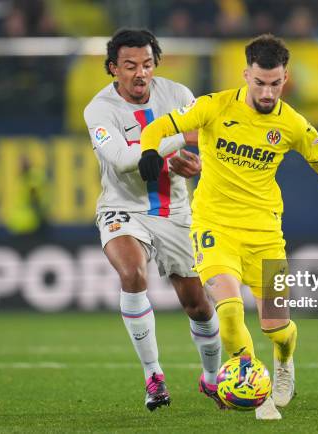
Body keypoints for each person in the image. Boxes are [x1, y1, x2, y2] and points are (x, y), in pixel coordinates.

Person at [139, 34, 318, 420]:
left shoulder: (292, 123)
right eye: (259, 82)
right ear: (246, 74)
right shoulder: (212, 107)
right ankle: (257, 391)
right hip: (214, 227)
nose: (267, 91)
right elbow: (159, 128)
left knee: (277, 327)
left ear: (285, 78)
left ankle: (284, 360)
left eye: (275, 83)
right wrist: (147, 150)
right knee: (227, 311)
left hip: (266, 236)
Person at [83, 28, 222, 412]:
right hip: (122, 208)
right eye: (129, 66)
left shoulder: (177, 95)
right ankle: (154, 375)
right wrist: (179, 141)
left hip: (175, 210)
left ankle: (212, 379)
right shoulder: (98, 109)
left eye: (146, 64)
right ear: (113, 68)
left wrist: (195, 160)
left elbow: (205, 136)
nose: (139, 73)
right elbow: (125, 160)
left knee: (197, 304)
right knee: (133, 274)